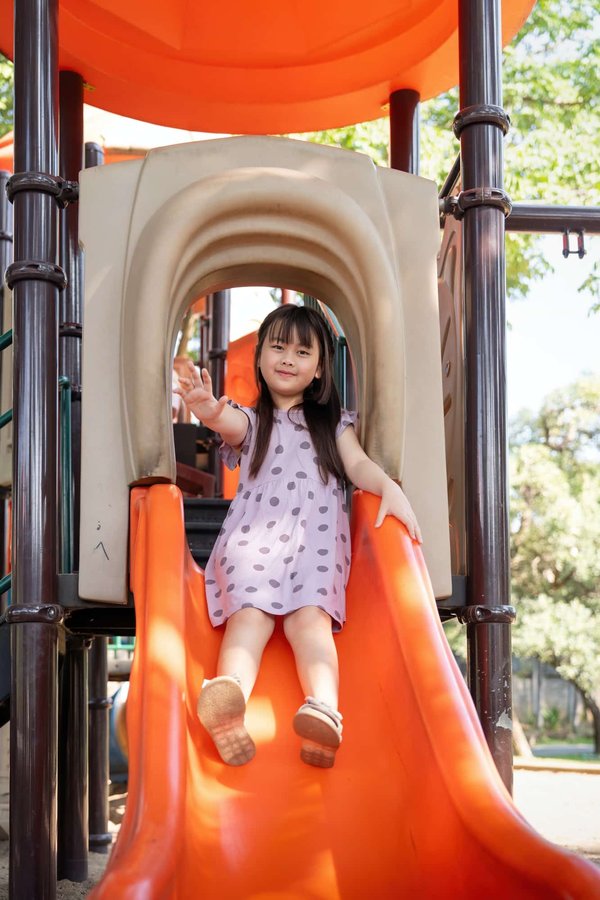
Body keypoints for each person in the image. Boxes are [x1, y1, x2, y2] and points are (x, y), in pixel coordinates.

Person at [175, 304, 421, 769]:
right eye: (278, 347)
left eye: (302, 352)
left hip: (315, 547)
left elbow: (357, 465)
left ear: (319, 368)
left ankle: (322, 712)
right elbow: (229, 423)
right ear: (261, 358)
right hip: (252, 546)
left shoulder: (334, 425)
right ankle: (228, 700)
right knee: (249, 618)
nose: (288, 358)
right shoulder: (254, 420)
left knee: (310, 623)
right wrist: (209, 411)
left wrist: (388, 487)